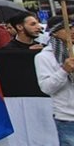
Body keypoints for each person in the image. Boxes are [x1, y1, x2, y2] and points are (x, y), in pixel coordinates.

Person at [34, 16, 74, 146]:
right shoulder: (43, 57)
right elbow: (46, 87)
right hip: (68, 118)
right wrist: (64, 70)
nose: (72, 31)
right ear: (55, 32)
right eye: (67, 28)